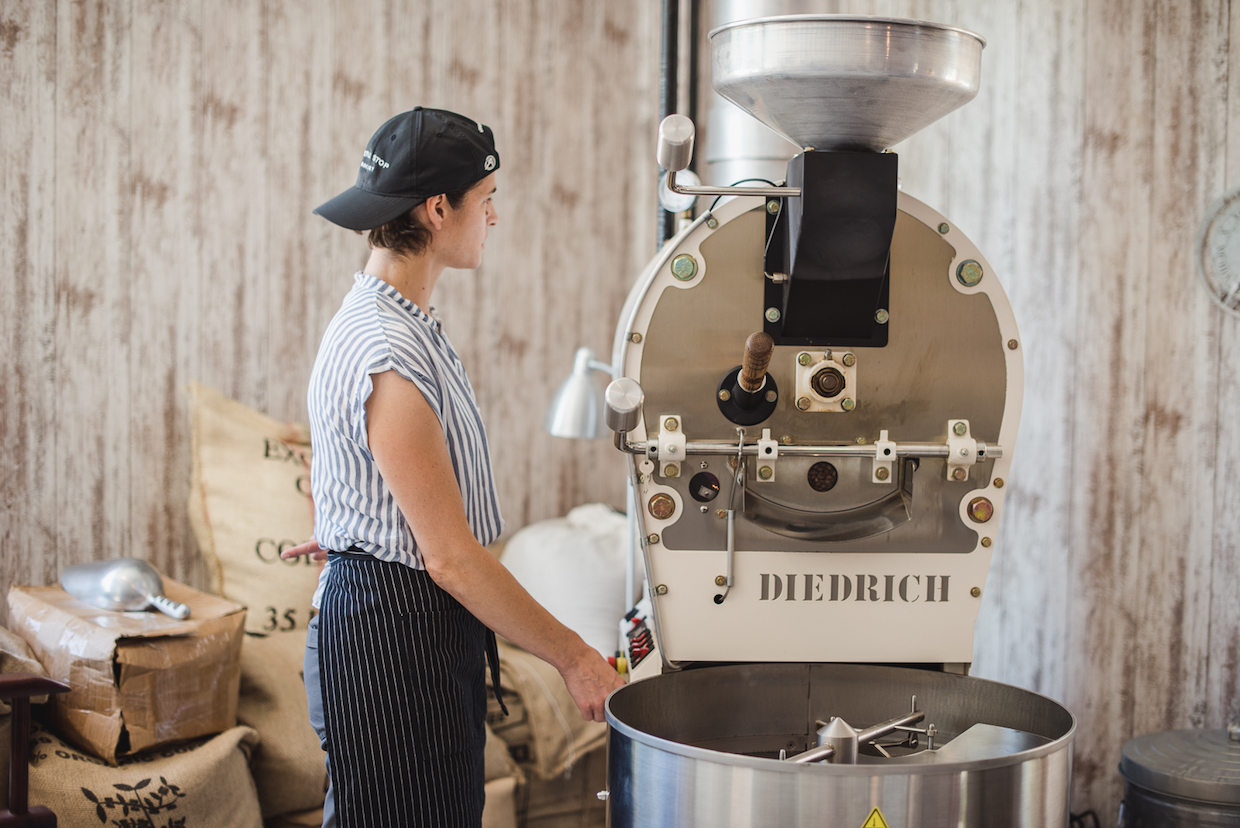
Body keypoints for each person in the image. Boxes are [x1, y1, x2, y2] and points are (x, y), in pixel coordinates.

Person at [283, 107, 625, 828]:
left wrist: (348, 525)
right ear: (439, 209)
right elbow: (452, 562)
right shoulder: (389, 349)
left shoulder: (390, 321)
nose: (494, 216)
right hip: (395, 638)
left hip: (400, 619)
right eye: (488, 197)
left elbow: (343, 459)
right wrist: (574, 658)